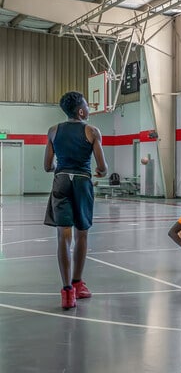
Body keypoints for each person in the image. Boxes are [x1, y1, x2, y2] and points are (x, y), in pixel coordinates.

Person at [44, 91, 108, 310]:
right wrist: (99, 171)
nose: (89, 109)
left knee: (63, 236)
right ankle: (78, 283)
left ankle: (67, 293)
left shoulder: (53, 131)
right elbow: (102, 167)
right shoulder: (91, 131)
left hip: (61, 181)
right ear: (81, 111)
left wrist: (57, 168)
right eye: (87, 106)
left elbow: (47, 166)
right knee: (81, 234)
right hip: (81, 182)